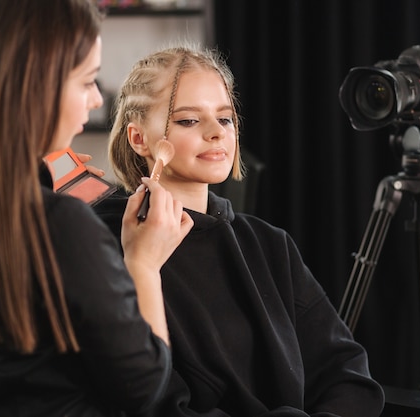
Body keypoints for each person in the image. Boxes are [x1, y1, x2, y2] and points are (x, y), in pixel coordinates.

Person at [0, 1, 193, 416]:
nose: (96, 100)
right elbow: (144, 389)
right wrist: (143, 264)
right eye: (87, 82)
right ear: (33, 88)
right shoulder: (59, 225)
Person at [93, 44, 385, 417]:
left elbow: (348, 375)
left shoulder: (268, 245)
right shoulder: (102, 244)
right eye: (187, 120)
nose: (216, 133)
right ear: (138, 139)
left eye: (226, 118)